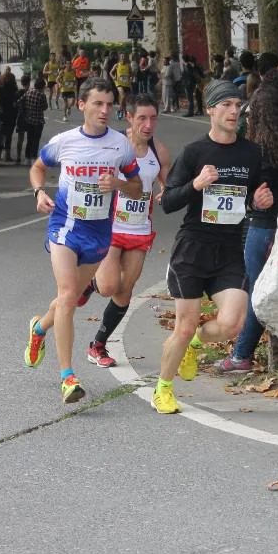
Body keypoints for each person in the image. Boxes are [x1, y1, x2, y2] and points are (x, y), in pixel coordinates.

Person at [154, 79, 271, 414]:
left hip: (229, 250)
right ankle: (163, 388)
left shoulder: (251, 153)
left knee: (233, 322)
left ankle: (193, 344)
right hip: (192, 249)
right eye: (226, 105)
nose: (234, 111)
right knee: (184, 325)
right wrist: (196, 183)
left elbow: (252, 197)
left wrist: (259, 201)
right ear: (210, 110)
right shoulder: (194, 152)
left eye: (237, 105)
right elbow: (168, 202)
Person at [25, 77, 143, 404]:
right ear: (81, 105)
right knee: (67, 294)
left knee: (71, 297)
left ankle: (39, 329)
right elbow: (37, 167)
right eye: (98, 104)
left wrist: (118, 184)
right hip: (65, 226)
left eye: (109, 104)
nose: (105, 110)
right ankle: (68, 377)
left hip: (99, 233)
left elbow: (137, 188)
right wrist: (39, 192)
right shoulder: (64, 141)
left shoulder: (120, 145)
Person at [215, 86, 278, 372]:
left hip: (264, 225)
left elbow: (251, 190)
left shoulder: (258, 150)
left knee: (257, 291)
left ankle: (241, 355)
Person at [81, 93, 171, 367]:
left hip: (140, 228)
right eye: (142, 118)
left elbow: (167, 183)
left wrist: (166, 191)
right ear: (129, 117)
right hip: (110, 226)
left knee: (124, 291)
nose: (148, 125)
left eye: (153, 118)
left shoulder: (159, 151)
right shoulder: (113, 145)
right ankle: (92, 282)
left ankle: (98, 345)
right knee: (109, 286)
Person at [17, 76, 49, 162]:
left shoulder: (29, 92)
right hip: (38, 121)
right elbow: (45, 107)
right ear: (42, 86)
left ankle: (27, 157)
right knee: (36, 140)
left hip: (29, 119)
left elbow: (19, 101)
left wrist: (26, 108)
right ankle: (34, 157)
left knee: (30, 139)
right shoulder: (42, 95)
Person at [0, 70, 19, 162]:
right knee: (9, 135)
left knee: (0, 134)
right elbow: (15, 102)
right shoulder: (13, 90)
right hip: (11, 114)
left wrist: (0, 109)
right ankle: (7, 155)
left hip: (1, 114)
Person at [111, 52, 132, 119]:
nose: (123, 57)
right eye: (122, 56)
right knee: (123, 96)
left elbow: (131, 74)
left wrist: (130, 77)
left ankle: (125, 112)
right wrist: (113, 77)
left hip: (126, 83)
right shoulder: (117, 65)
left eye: (124, 56)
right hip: (119, 83)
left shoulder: (128, 66)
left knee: (124, 99)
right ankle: (119, 111)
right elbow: (110, 72)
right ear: (119, 58)